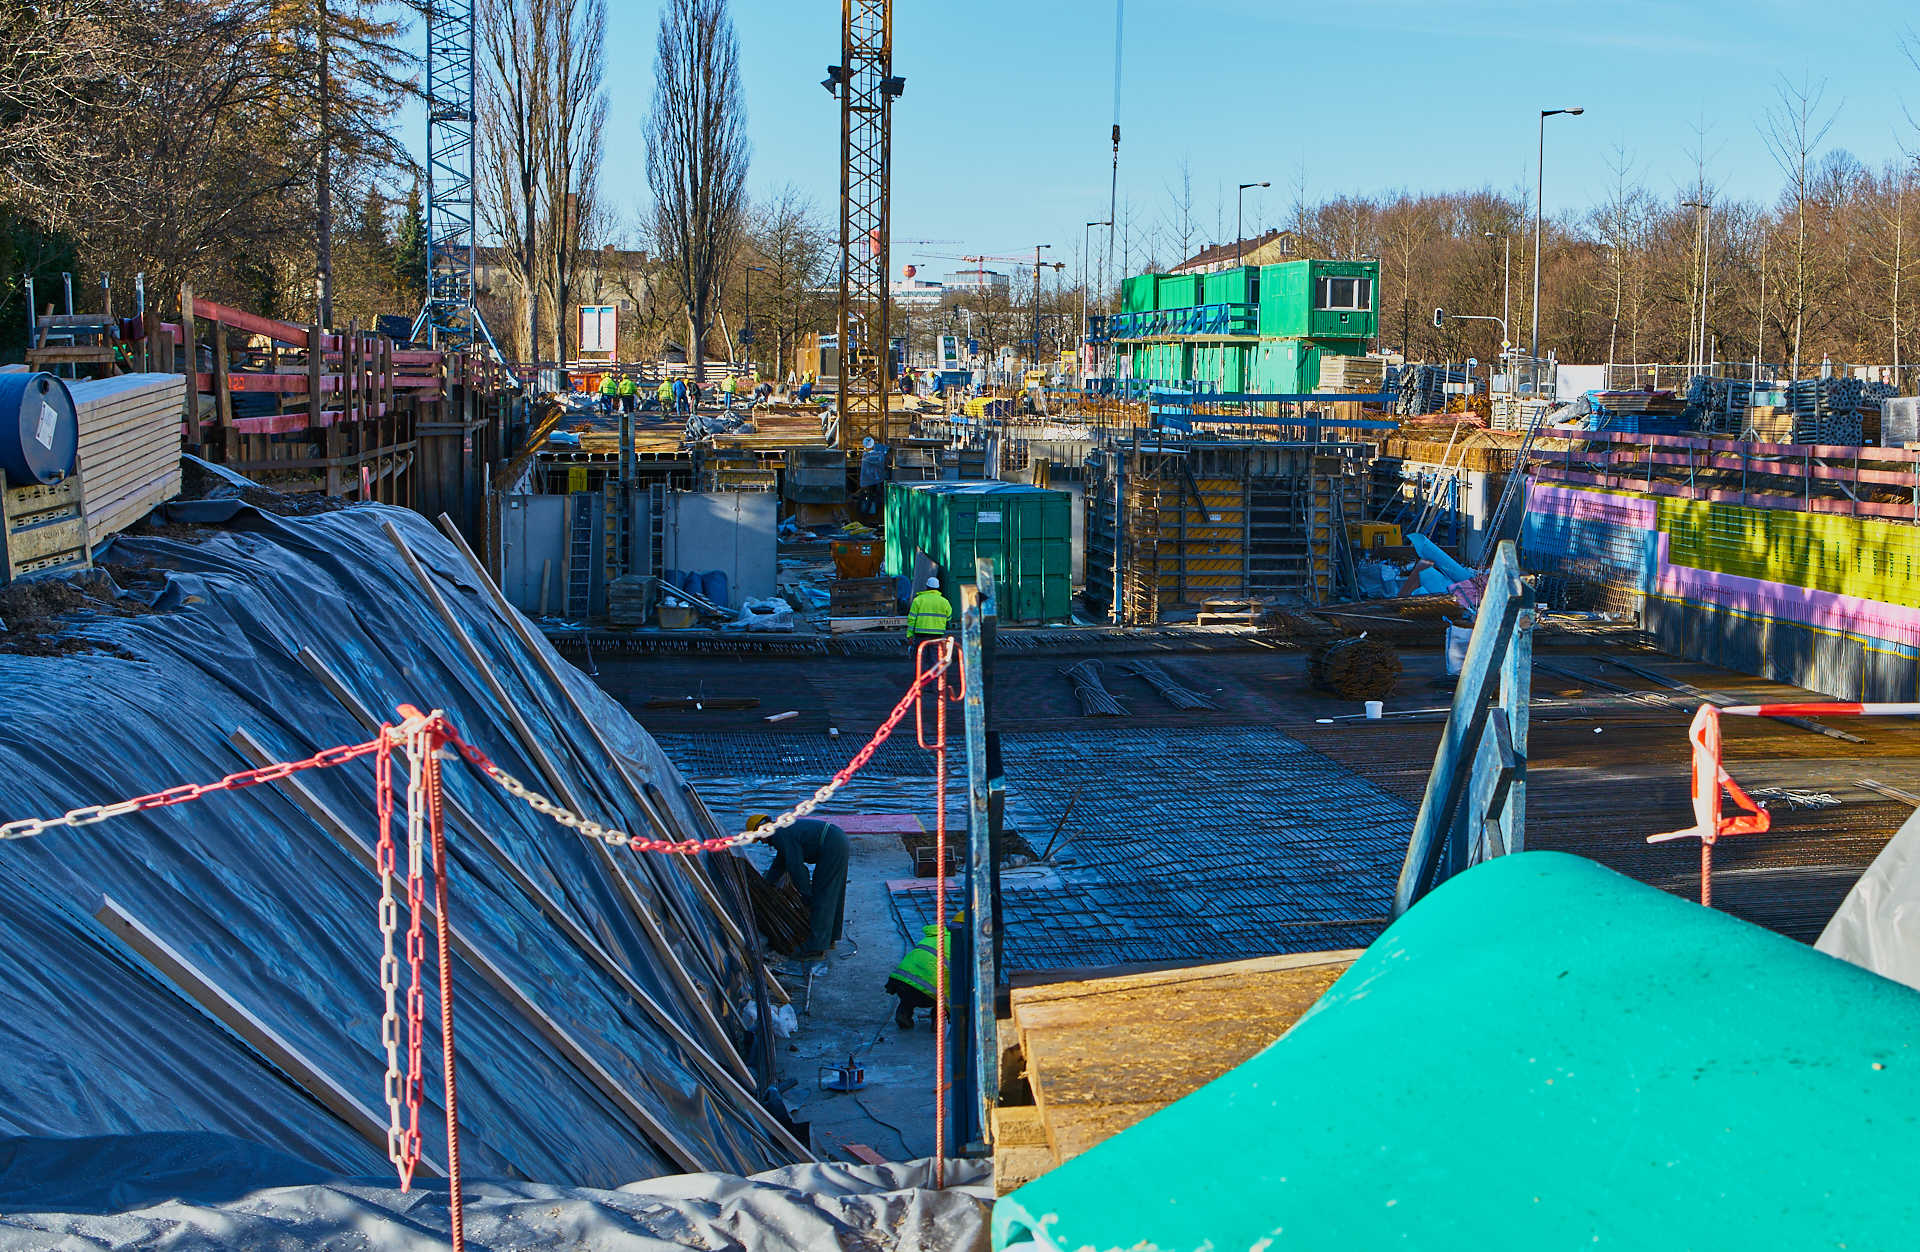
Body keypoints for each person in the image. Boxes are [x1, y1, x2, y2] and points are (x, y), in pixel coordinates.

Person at [746, 814, 849, 968]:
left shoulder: (780, 834)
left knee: (821, 897)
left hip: (831, 845)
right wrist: (768, 884)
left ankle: (815, 949)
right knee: (833, 892)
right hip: (836, 840)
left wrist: (806, 893)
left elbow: (796, 868)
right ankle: (829, 938)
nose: (762, 843)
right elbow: (781, 861)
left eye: (759, 839)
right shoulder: (780, 831)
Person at [886, 911, 960, 1028]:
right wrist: (952, 1014)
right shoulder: (962, 944)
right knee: (946, 986)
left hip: (899, 982)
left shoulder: (935, 935)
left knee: (912, 986)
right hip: (926, 994)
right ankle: (938, 1020)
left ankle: (903, 1013)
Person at [906, 576, 953, 680]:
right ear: (938, 588)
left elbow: (911, 619)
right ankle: (934, 686)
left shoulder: (918, 600)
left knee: (920, 660)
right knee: (934, 660)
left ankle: (919, 685)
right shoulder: (944, 602)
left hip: (920, 635)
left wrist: (909, 635)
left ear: (927, 587)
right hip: (937, 636)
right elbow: (949, 617)